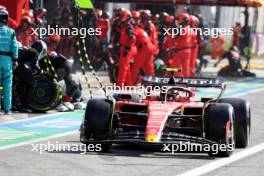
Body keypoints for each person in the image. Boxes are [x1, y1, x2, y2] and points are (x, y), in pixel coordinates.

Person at [0, 7, 19, 114]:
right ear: (6, 19)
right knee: (7, 85)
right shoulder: (11, 32)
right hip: (7, 60)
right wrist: (15, 60)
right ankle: (7, 108)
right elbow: (15, 47)